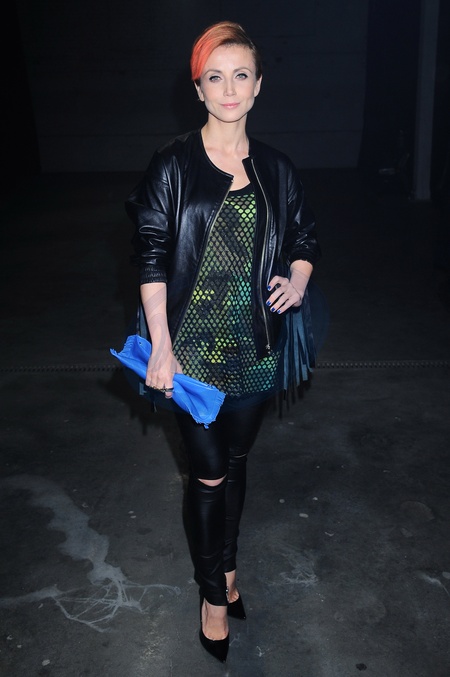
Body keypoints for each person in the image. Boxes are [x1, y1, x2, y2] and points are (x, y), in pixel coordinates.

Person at [126, 21, 320, 663]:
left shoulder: (277, 168)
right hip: (191, 353)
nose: (229, 88)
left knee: (236, 464)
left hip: (255, 348)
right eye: (216, 77)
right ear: (198, 89)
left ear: (258, 86)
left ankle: (229, 569)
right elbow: (151, 256)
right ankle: (213, 596)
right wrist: (160, 345)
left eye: (241, 75)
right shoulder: (173, 164)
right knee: (208, 474)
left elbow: (304, 236)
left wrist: (297, 280)